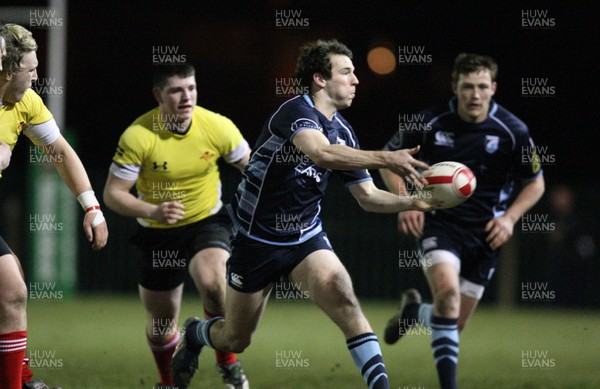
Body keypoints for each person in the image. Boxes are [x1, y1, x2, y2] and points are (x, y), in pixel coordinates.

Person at [170, 39, 432, 389]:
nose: (356, 80)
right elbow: (321, 154)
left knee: (344, 298)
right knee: (235, 339)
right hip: (255, 242)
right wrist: (388, 158)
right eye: (346, 72)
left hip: (305, 239)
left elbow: (368, 197)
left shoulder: (345, 132)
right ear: (320, 79)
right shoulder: (294, 112)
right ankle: (194, 334)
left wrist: (415, 202)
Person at [380, 53, 545, 389]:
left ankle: (413, 315)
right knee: (448, 296)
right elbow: (386, 161)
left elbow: (536, 183)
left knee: (452, 323)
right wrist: (405, 203)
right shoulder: (428, 122)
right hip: (439, 225)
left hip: (486, 234)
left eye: (482, 86)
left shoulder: (514, 132)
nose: (475, 94)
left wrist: (510, 219)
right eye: (467, 86)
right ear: (455, 87)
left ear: (493, 88)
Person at [103, 63, 251, 388]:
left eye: (192, 88)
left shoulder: (217, 126)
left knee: (215, 287)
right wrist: (152, 210)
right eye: (176, 90)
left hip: (206, 222)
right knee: (161, 323)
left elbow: (252, 170)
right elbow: (113, 194)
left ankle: (227, 363)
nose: (187, 97)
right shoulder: (138, 135)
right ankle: (168, 382)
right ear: (159, 95)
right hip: (157, 232)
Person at [0, 23, 108, 389]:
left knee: (10, 287)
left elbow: (60, 152)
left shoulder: (26, 102)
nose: (36, 76)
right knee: (10, 289)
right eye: (30, 70)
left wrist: (91, 206)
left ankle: (19, 379)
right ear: (7, 70)